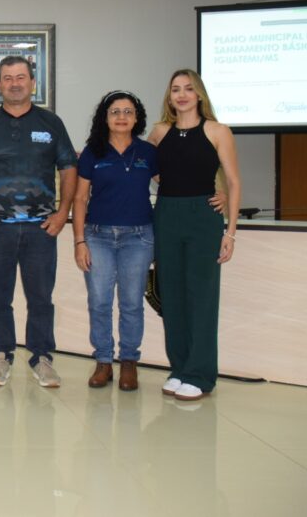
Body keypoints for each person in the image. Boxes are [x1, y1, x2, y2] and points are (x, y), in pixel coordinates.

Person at [0, 55, 77, 388]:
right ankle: (1, 355)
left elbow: (69, 168)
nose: (15, 83)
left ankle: (42, 357)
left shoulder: (51, 123)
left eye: (21, 77)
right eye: (7, 78)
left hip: (41, 228)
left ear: (32, 82)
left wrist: (62, 212)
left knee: (41, 297)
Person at [148, 69, 241, 401]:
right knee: (171, 298)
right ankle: (180, 369)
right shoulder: (159, 133)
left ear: (199, 94)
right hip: (167, 215)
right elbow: (150, 168)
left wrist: (230, 232)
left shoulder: (218, 131)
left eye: (189, 88)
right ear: (169, 96)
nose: (182, 94)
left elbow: (232, 181)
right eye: (176, 89)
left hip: (204, 217)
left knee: (201, 297)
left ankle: (200, 374)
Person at [72, 91, 157, 391]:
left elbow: (175, 185)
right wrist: (79, 241)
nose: (121, 117)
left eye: (128, 112)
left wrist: (220, 190)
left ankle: (129, 363)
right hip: (98, 236)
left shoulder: (148, 152)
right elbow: (80, 198)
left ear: (137, 118)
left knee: (132, 303)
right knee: (99, 301)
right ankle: (104, 362)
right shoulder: (93, 152)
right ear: (105, 118)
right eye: (115, 112)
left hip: (139, 237)